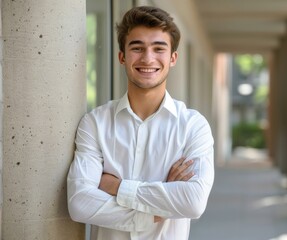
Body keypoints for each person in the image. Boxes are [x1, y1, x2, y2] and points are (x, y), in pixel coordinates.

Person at [67, 5, 214, 240]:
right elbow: (79, 204)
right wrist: (160, 208)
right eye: (137, 48)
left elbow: (193, 202)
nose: (148, 58)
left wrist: (117, 187)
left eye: (159, 48)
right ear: (122, 56)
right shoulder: (95, 123)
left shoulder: (192, 126)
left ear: (173, 58)